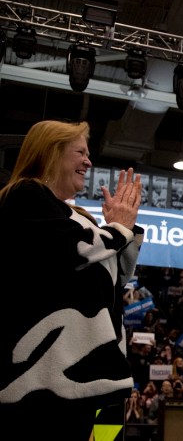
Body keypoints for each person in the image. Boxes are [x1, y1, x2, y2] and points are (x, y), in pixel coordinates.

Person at [0, 120, 144, 440]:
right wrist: (118, 228)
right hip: (51, 387)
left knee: (108, 438)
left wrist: (121, 228)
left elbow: (116, 280)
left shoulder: (82, 218)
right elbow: (72, 250)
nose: (89, 161)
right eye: (80, 151)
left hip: (105, 382)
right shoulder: (24, 195)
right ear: (51, 153)